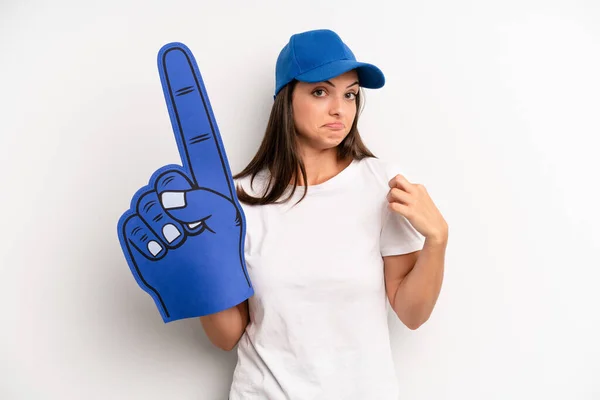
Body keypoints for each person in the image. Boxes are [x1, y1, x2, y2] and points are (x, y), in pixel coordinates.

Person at [199, 29, 449, 400]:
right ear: (287, 99)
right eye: (321, 92)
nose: (340, 109)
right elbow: (227, 336)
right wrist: (199, 269)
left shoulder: (381, 184)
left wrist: (437, 240)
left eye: (350, 94)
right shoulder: (239, 199)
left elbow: (412, 314)